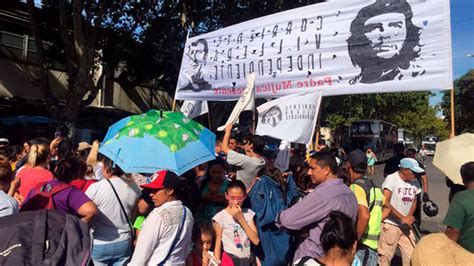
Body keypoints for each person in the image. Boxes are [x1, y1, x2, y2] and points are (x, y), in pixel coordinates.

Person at [276, 152, 358, 263]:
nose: (309, 172)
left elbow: (287, 220)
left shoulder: (322, 195)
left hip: (315, 256)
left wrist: (279, 217)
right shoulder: (349, 193)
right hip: (340, 258)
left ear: (327, 170)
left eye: (312, 168)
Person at [347, 0, 424, 84]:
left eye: (395, 25)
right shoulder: (353, 83)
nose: (386, 34)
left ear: (408, 30)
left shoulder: (417, 75)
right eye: (375, 27)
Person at [129, 170, 194, 265]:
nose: (151, 194)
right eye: (151, 190)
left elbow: (141, 254)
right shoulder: (187, 213)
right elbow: (186, 250)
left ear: (170, 190)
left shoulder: (157, 215)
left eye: (156, 190)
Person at [86, 157, 140, 265]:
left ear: (106, 168)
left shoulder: (95, 188)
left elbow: (85, 211)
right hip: (124, 242)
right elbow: (135, 215)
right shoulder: (134, 187)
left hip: (99, 242)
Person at [21, 157, 98, 225]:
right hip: (57, 237)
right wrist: (77, 229)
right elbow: (91, 211)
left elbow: (24, 210)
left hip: (34, 234)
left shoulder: (39, 187)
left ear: (56, 168)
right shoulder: (70, 192)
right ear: (76, 175)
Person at [249, 166, 300, 266]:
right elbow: (294, 197)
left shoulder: (261, 185)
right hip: (285, 246)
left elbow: (256, 209)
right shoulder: (285, 194)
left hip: (265, 241)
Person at [378, 158, 424, 266]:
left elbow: (414, 201)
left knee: (412, 255)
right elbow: (385, 201)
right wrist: (402, 217)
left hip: (406, 226)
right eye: (414, 172)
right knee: (385, 258)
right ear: (405, 170)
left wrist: (409, 216)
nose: (416, 175)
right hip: (390, 224)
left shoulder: (415, 181)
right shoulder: (392, 179)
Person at [346, 150, 384, 266]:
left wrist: (354, 241)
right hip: (372, 247)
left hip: (362, 247)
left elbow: (364, 215)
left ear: (348, 166)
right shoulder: (374, 186)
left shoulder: (356, 187)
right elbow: (388, 207)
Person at [212, 180, 260, 265]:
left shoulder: (248, 214)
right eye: (232, 197)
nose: (236, 202)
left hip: (247, 260)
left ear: (245, 196)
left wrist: (241, 219)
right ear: (226, 196)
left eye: (240, 198)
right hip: (230, 260)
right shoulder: (220, 217)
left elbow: (256, 241)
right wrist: (216, 262)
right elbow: (218, 243)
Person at [222, 124, 265, 192]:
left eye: (247, 143)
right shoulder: (262, 161)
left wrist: (227, 131)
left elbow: (224, 148)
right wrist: (236, 175)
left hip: (244, 195)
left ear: (251, 146)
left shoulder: (246, 161)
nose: (245, 144)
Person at [443, 162, 474, 252]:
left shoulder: (461, 198)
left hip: (467, 255)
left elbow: (453, 231)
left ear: (462, 178)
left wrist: (445, 251)